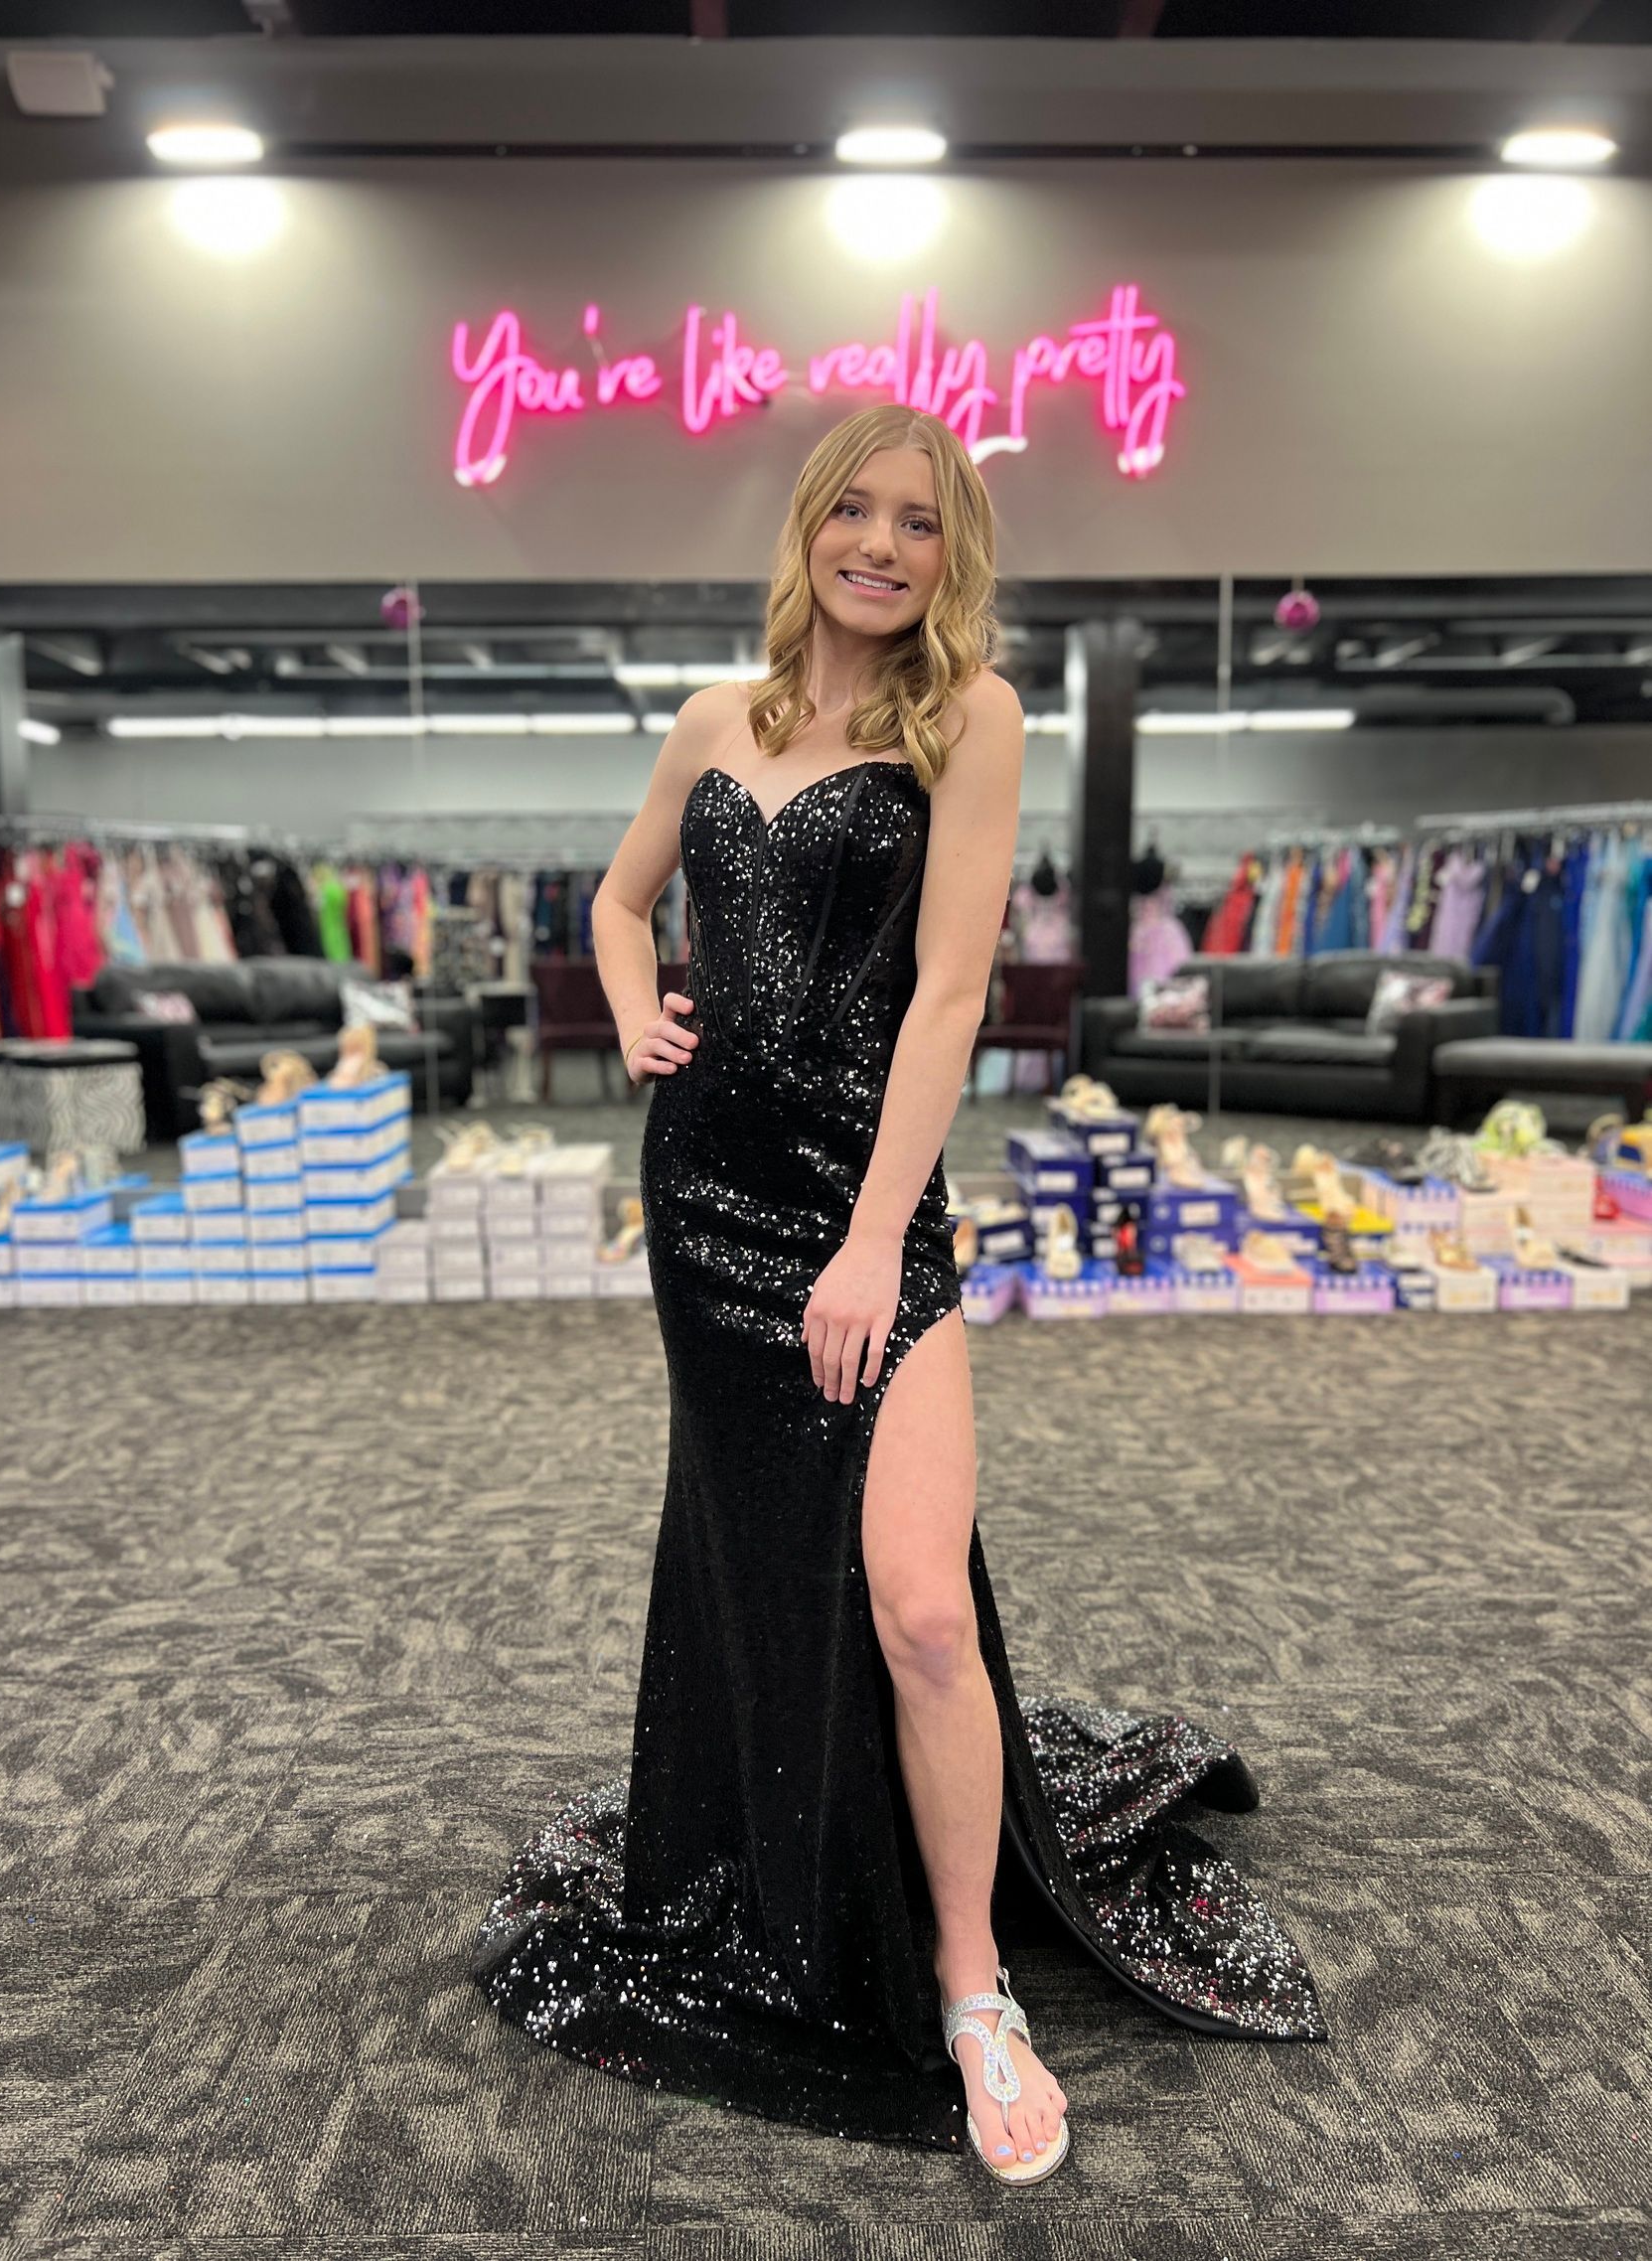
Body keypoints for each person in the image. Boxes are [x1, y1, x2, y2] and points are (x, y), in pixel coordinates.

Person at [468, 405, 1326, 2183]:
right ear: (806, 527)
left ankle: (969, 1977)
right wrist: (631, 1011)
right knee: (762, 1553)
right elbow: (621, 905)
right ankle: (787, 1849)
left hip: (870, 1206)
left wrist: (873, 1240)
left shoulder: (971, 718)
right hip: (707, 1198)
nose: (880, 543)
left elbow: (948, 999)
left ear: (953, 555)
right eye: (852, 510)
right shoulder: (714, 722)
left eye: (918, 522)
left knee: (923, 1609)